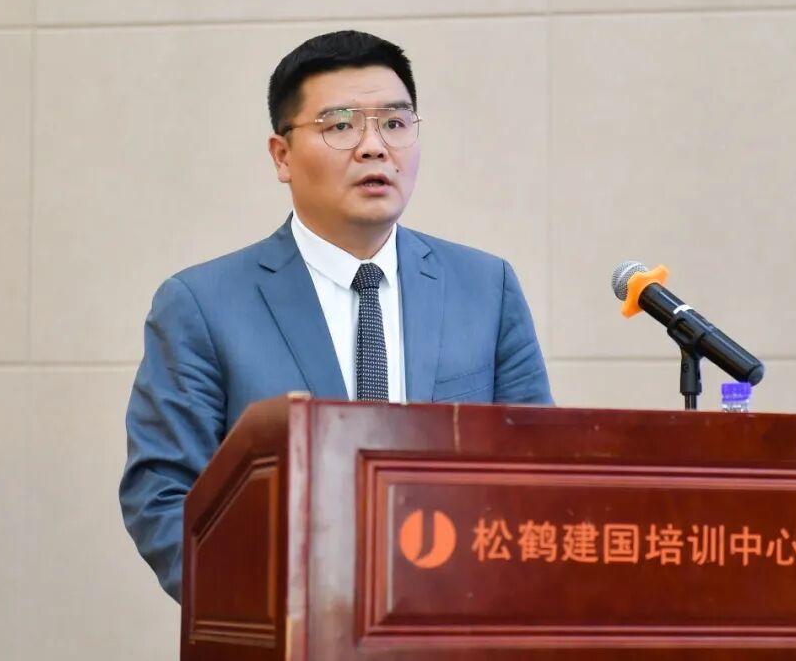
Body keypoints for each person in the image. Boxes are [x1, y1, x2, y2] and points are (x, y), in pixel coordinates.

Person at [120, 30, 553, 602]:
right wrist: (277, 613)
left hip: (457, 621)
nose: (374, 147)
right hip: (288, 625)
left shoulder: (485, 288)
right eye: (341, 126)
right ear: (282, 155)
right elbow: (164, 497)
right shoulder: (202, 305)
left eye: (394, 123)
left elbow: (539, 474)